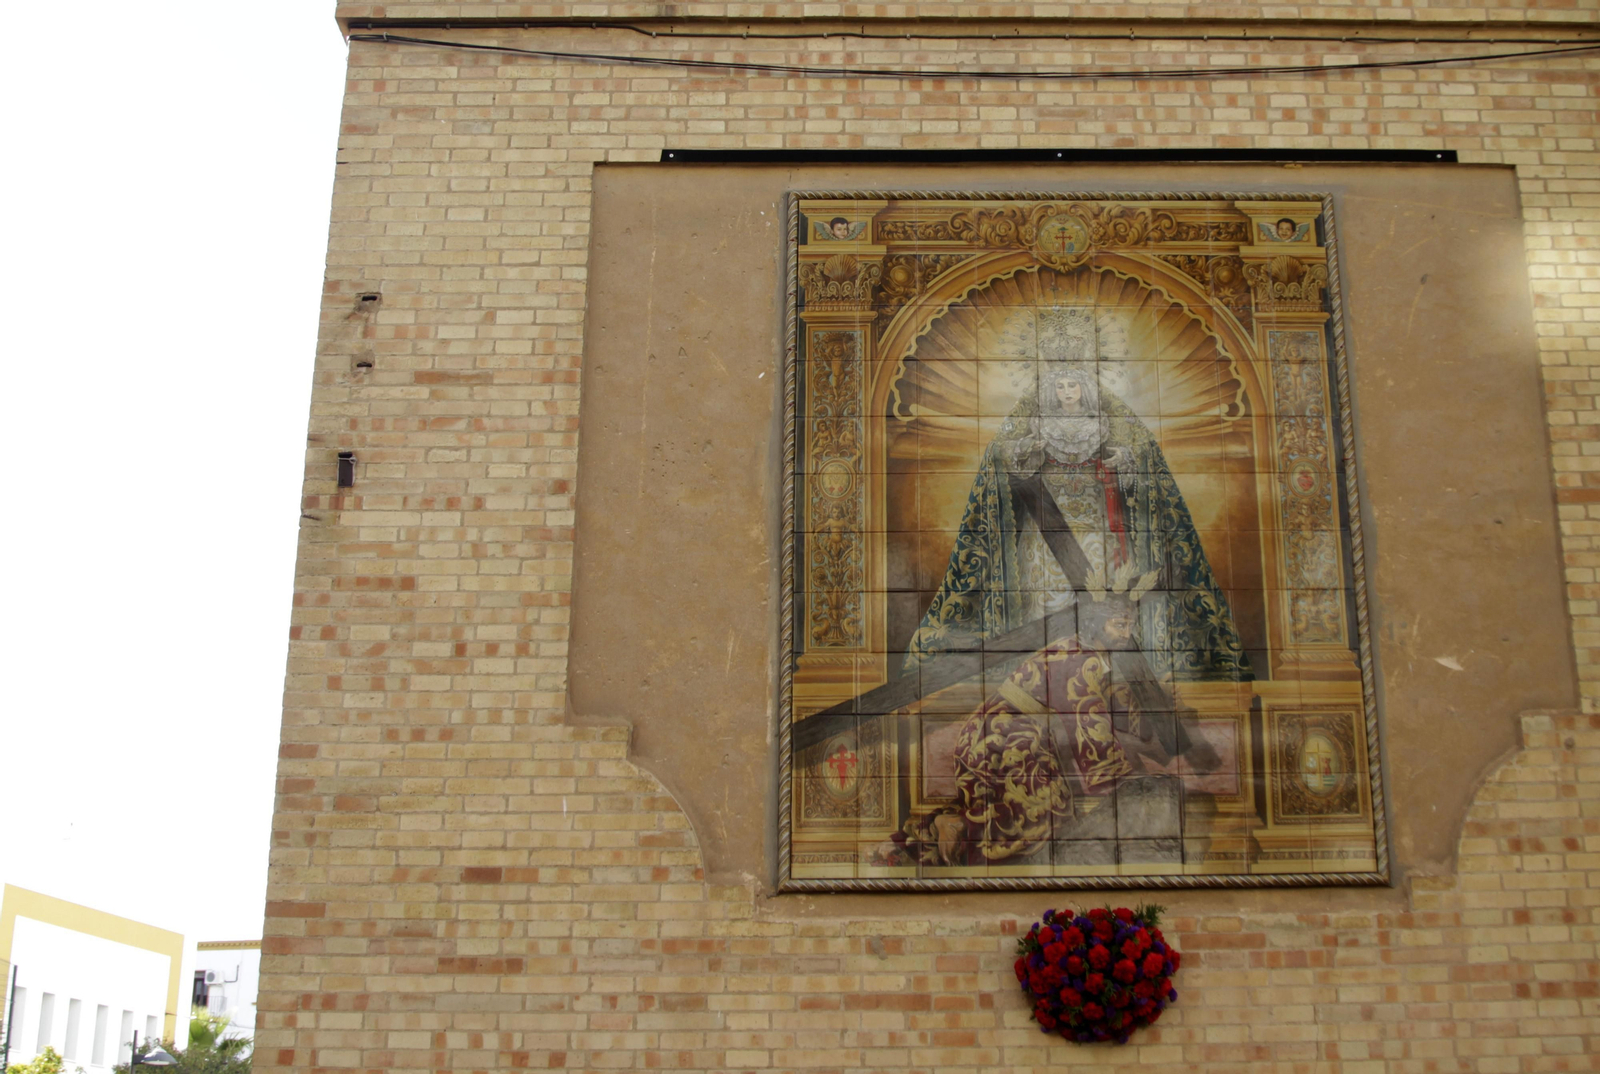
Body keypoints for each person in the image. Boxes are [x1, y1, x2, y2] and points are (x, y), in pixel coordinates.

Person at [903, 306, 1250, 685]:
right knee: (1046, 604)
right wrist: (1022, 454)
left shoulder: (1116, 419)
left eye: (1073, 385)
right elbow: (1000, 466)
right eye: (1060, 386)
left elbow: (1146, 469)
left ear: (1085, 383)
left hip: (1101, 533)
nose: (1067, 392)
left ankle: (1105, 677)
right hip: (1044, 539)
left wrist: (1126, 462)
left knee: (1099, 605)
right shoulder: (1027, 419)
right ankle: (1044, 679)